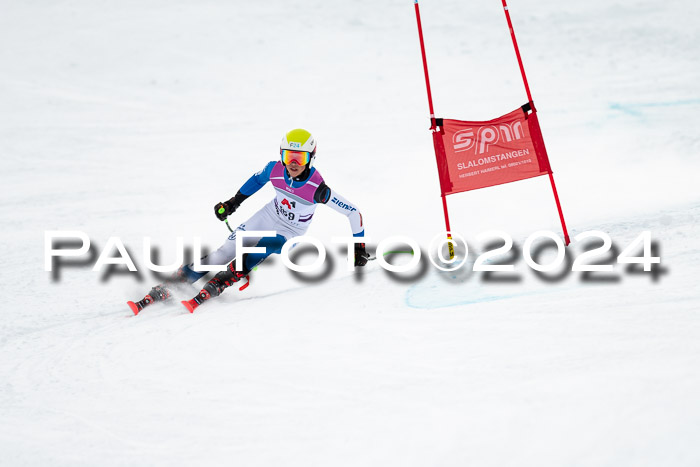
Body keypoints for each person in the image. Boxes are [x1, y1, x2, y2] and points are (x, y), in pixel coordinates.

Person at [128, 128, 369, 314]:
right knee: (224, 252)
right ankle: (175, 283)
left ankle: (223, 280)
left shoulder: (318, 188)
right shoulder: (275, 169)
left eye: (300, 158)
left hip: (291, 233)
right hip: (268, 215)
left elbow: (354, 213)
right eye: (288, 156)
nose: (293, 164)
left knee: (265, 244)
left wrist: (358, 248)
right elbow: (256, 181)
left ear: (311, 158)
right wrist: (232, 203)